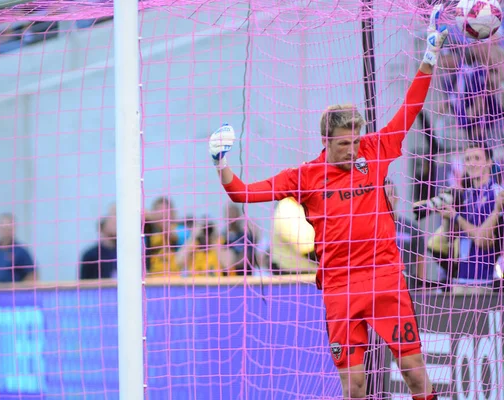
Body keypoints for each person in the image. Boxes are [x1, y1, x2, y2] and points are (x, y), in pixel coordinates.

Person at [208, 6, 448, 399]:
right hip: (339, 286)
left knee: (415, 374)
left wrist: (431, 51)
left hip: (385, 276)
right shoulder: (305, 176)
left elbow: (410, 108)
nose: (353, 148)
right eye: (344, 143)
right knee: (354, 386)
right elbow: (245, 194)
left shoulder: (376, 149)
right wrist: (222, 166)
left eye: (356, 140)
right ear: (327, 141)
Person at [435, 144, 504, 294]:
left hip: (484, 282)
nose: (472, 163)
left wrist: (456, 216)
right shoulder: (465, 195)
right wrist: (446, 216)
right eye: (467, 159)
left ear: (489, 162)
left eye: (477, 158)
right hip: (460, 279)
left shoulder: (497, 194)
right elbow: (449, 238)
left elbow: (482, 239)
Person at [384, 179, 427, 290]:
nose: (386, 199)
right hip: (380, 286)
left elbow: (420, 260)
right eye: (382, 195)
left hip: (406, 287)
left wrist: (420, 287)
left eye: (389, 194)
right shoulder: (371, 229)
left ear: (397, 198)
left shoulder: (411, 229)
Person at [0, 213, 37, 284]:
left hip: (13, 293)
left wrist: (20, 289)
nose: (5, 231)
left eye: (8, 228)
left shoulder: (21, 251)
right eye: (3, 228)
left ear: (13, 229)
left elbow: (32, 274)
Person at [79, 204, 117, 280]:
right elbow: (83, 284)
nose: (116, 226)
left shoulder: (127, 253)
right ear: (102, 228)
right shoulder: (91, 255)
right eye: (113, 222)